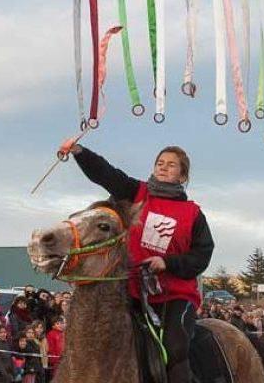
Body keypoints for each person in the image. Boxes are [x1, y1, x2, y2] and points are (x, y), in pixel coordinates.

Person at [64, 143, 215, 383]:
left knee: (174, 347)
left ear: (183, 175)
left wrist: (167, 263)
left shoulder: (193, 214)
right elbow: (108, 174)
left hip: (174, 297)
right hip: (131, 290)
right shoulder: (136, 193)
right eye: (160, 163)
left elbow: (202, 256)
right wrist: (80, 152)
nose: (163, 168)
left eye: (171, 165)